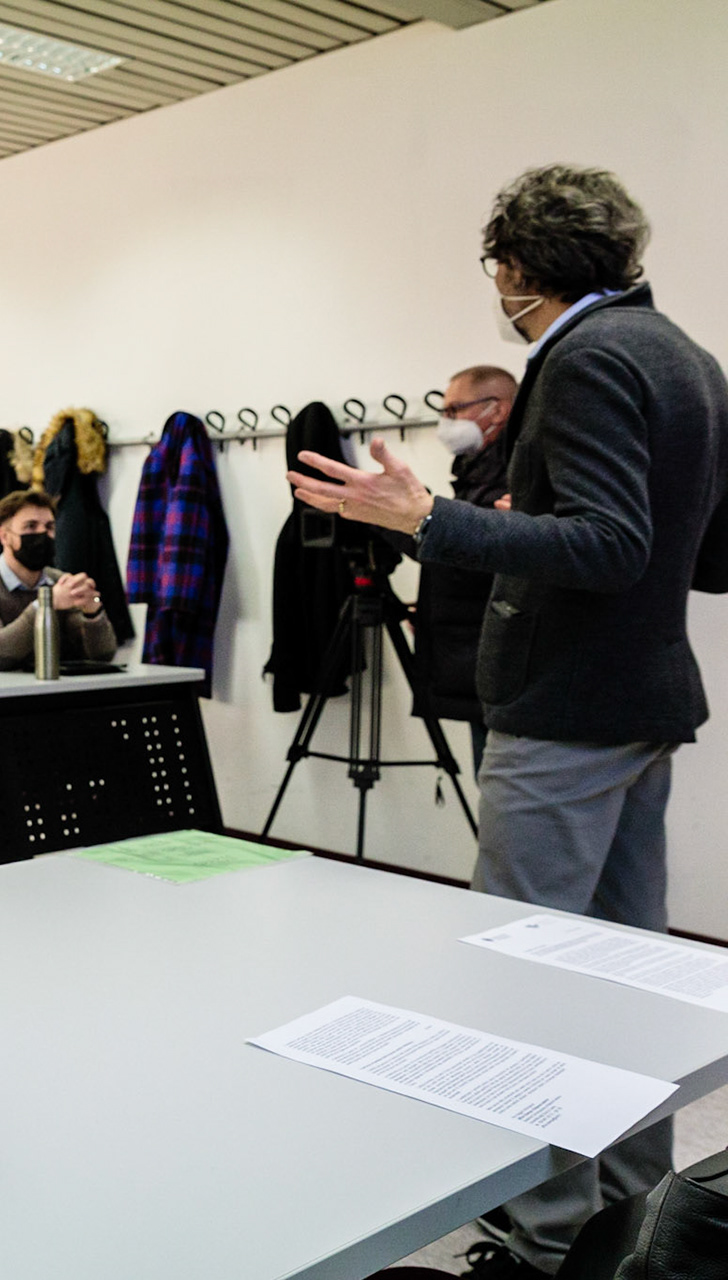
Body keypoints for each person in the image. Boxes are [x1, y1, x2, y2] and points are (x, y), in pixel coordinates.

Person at [287, 164, 728, 1279]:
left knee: (526, 988)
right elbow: (697, 551)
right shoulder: (684, 355)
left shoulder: (579, 359)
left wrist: (430, 516)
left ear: (517, 267)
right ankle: (627, 1220)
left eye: (497, 266)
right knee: (623, 978)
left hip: (569, 712)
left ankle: (538, 1243)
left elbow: (608, 544)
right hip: (643, 702)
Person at [414, 365, 518, 774]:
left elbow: (478, 555)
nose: (447, 422)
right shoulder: (475, 468)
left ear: (497, 410)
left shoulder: (512, 470)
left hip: (494, 653)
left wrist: (411, 519)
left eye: (455, 409)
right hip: (471, 650)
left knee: (500, 784)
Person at [0, 489, 117, 674]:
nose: (42, 534)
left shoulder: (59, 582)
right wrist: (45, 604)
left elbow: (103, 656)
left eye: (50, 527)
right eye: (31, 526)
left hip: (49, 693)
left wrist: (91, 611)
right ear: (4, 536)